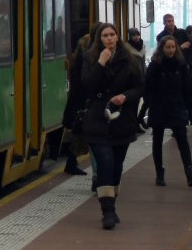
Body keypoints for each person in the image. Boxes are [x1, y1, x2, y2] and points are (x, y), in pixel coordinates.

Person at [80, 22, 144, 229]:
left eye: (112, 35)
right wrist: (100, 64)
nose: (109, 38)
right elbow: (87, 87)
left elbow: (139, 88)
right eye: (104, 35)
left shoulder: (131, 60)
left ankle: (112, 203)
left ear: (117, 38)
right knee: (105, 164)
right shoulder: (90, 59)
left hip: (121, 121)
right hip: (98, 120)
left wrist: (125, 96)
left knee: (117, 166)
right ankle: (107, 210)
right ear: (99, 39)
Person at [144, 35, 192, 187]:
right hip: (159, 107)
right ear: (161, 48)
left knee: (182, 139)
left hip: (177, 106)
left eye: (173, 47)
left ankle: (189, 172)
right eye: (167, 47)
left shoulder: (181, 64)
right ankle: (159, 173)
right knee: (157, 140)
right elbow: (148, 87)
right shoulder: (155, 65)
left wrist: (191, 109)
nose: (170, 50)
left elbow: (187, 88)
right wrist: (151, 103)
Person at [60, 23, 104, 176]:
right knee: (82, 133)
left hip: (78, 98)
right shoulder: (89, 53)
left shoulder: (83, 48)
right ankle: (89, 171)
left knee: (79, 132)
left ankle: (72, 163)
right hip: (82, 99)